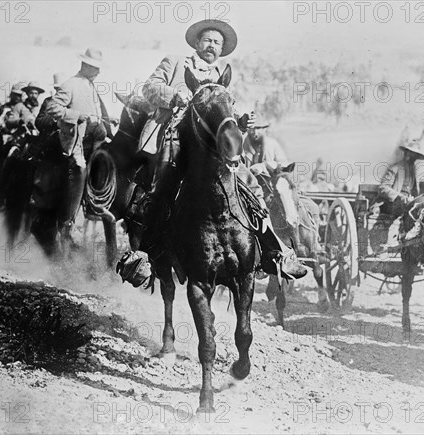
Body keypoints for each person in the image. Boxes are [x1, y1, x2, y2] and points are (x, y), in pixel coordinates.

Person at [120, 19, 307, 286]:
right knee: (163, 183)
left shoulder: (222, 77)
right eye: (207, 40)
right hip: (174, 136)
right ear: (197, 43)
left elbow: (225, 114)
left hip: (210, 147)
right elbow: (149, 88)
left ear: (221, 50)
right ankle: (145, 256)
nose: (211, 46)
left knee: (246, 185)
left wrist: (240, 122)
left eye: (217, 43)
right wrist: (174, 96)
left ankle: (274, 251)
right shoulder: (175, 62)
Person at [46, 48, 111, 245]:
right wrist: (75, 116)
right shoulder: (70, 84)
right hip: (75, 142)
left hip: (94, 140)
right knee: (79, 169)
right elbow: (52, 108)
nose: (98, 72)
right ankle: (67, 222)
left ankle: (95, 209)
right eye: (96, 68)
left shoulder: (91, 87)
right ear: (86, 66)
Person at [371, 141, 424, 251]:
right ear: (406, 153)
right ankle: (398, 240)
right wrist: (400, 197)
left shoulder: (414, 172)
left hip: (408, 204)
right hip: (390, 204)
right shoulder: (395, 168)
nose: (412, 157)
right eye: (411, 154)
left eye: (415, 155)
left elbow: (417, 192)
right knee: (407, 210)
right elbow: (383, 187)